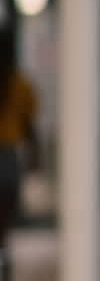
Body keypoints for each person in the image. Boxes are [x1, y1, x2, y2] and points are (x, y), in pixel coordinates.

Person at [0, 27, 37, 248]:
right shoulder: (19, 84)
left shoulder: (19, 84)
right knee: (7, 205)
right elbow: (28, 124)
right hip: (8, 152)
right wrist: (34, 152)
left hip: (8, 151)